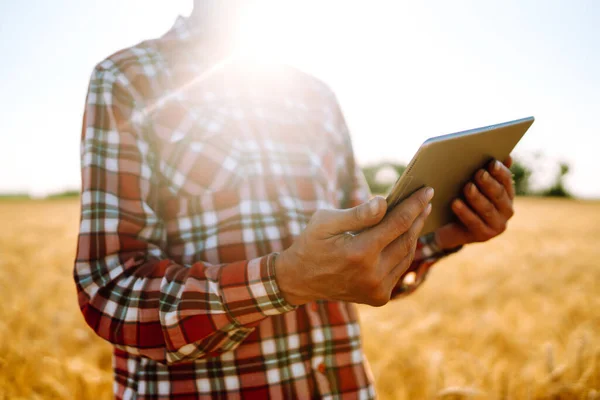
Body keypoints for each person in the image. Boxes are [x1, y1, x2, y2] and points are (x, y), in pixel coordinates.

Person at [74, 2, 517, 398]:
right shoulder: (129, 78)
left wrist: (448, 233)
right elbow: (108, 288)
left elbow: (357, 257)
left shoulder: (317, 97)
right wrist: (284, 281)